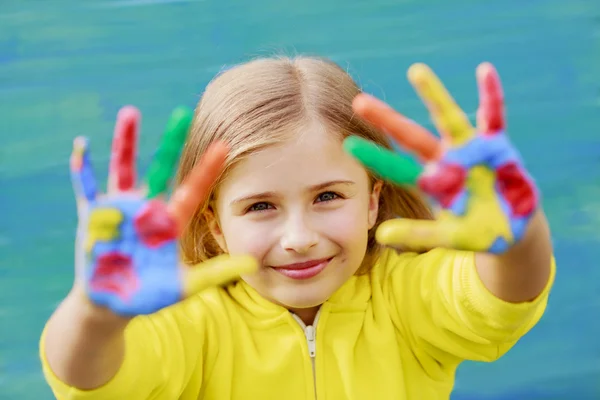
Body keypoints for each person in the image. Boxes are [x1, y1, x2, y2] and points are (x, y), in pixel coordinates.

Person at [40, 56, 555, 399]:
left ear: (373, 202)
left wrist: (519, 234)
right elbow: (88, 381)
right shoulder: (192, 322)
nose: (299, 237)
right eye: (260, 206)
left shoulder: (404, 296)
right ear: (214, 226)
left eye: (328, 197)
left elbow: (498, 301)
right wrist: (94, 312)